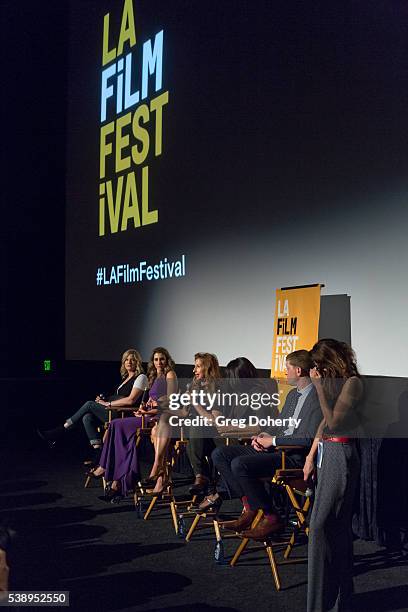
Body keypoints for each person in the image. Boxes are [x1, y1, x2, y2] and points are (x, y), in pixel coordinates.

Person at [212, 349, 322, 539]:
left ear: (298, 371)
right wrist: (265, 435)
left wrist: (273, 440)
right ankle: (249, 507)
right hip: (275, 449)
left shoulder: (316, 398)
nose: (284, 372)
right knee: (220, 454)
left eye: (287, 368)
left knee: (240, 464)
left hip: (293, 457)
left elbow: (307, 438)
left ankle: (271, 517)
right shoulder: (292, 395)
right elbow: (279, 426)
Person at [303, 339, 363, 612]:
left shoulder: (352, 383)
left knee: (319, 527)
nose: (318, 370)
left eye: (320, 365)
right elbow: (322, 424)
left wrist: (318, 388)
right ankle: (339, 602)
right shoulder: (334, 383)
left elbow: (335, 421)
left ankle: (320, 604)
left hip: (341, 453)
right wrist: (311, 454)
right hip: (328, 452)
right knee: (334, 531)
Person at [90, 347, 177, 497]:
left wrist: (152, 408)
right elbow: (152, 399)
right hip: (147, 415)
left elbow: (171, 400)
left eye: (161, 359)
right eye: (156, 359)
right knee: (114, 425)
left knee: (118, 425)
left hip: (160, 417)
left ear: (167, 360)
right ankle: (117, 475)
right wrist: (144, 407)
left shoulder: (170, 374)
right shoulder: (154, 376)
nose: (158, 362)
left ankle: (113, 473)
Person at [198, 356, 278, 512]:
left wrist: (231, 428)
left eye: (230, 377)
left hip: (255, 443)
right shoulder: (240, 393)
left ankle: (222, 493)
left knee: (218, 451)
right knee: (205, 441)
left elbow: (263, 426)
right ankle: (217, 490)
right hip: (237, 438)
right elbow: (221, 410)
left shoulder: (257, 393)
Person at [38, 349, 147, 452]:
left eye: (132, 359)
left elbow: (130, 400)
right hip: (113, 410)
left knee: (89, 404)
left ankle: (61, 430)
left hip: (123, 414)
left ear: (137, 362)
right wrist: (103, 400)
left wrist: (107, 403)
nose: (129, 362)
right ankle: (98, 451)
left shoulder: (141, 377)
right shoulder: (125, 378)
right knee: (87, 417)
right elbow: (118, 397)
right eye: (126, 360)